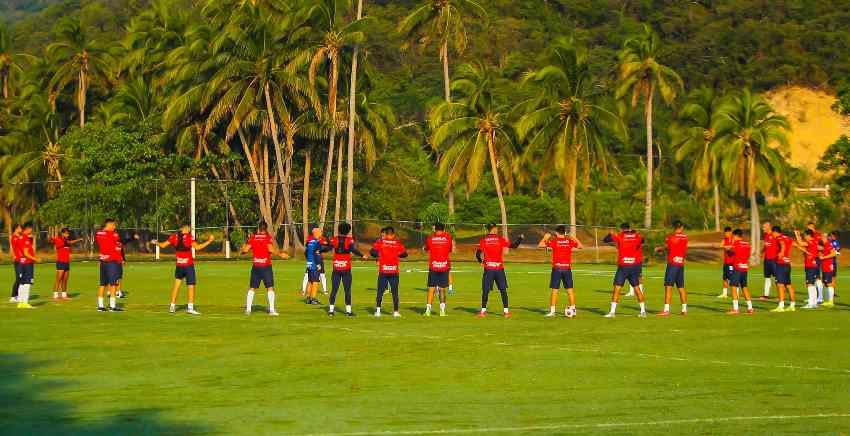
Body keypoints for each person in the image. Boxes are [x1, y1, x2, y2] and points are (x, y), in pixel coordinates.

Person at [152, 224, 215, 315]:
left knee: (176, 286)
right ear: (185, 229)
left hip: (179, 265)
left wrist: (156, 242)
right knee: (191, 285)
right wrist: (209, 241)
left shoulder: (174, 237)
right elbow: (197, 247)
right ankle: (190, 307)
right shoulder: (189, 237)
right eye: (188, 228)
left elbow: (163, 245)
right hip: (188, 265)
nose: (189, 229)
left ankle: (172, 306)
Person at [475, 223, 523, 318]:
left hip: (488, 269)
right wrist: (520, 239)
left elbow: (478, 253)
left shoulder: (483, 240)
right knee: (503, 290)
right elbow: (514, 246)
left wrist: (480, 261)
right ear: (493, 229)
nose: (497, 229)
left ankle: (483, 312)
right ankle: (506, 312)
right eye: (496, 228)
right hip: (499, 269)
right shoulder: (500, 239)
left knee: (485, 290)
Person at [240, 223, 289, 316]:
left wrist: (243, 250)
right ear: (266, 229)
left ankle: (248, 310)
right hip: (266, 266)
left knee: (252, 288)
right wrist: (280, 254)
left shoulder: (253, 237)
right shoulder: (267, 237)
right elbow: (270, 249)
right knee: (270, 288)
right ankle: (271, 310)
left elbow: (245, 250)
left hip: (256, 266)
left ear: (258, 228)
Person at [603, 223, 646, 318]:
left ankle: (612, 312)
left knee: (617, 289)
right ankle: (643, 312)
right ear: (629, 228)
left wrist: (610, 233)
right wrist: (636, 234)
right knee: (637, 288)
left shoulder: (620, 236)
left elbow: (605, 240)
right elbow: (642, 240)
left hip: (623, 267)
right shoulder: (636, 236)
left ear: (621, 229)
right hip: (634, 266)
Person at [538, 225, 582, 318]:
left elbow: (540, 245)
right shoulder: (569, 241)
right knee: (570, 291)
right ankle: (573, 310)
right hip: (567, 269)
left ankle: (552, 311)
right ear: (564, 232)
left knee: (555, 291)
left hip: (557, 269)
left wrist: (545, 237)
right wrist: (574, 237)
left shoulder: (554, 241)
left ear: (557, 232)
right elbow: (580, 246)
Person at [328, 222, 366, 317]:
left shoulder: (334, 239)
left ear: (339, 230)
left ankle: (331, 311)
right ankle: (348, 311)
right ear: (348, 231)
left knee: (334, 290)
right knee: (347, 290)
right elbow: (353, 250)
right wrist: (362, 255)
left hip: (336, 268)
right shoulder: (349, 240)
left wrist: (319, 250)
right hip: (346, 269)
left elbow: (328, 247)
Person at [370, 227, 408, 317]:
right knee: (395, 292)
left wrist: (380, 254)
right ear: (393, 234)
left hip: (383, 270)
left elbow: (372, 252)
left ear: (386, 234)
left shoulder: (380, 242)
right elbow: (405, 254)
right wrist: (397, 254)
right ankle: (395, 311)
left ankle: (378, 311)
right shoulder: (397, 243)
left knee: (380, 291)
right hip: (394, 271)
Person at [658, 221, 688, 316]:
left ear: (674, 227)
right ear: (681, 227)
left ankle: (666, 310)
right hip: (680, 263)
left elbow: (667, 247)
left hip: (672, 264)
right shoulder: (685, 237)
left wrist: (659, 249)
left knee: (668, 286)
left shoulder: (671, 237)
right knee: (681, 287)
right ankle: (684, 309)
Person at [423, 222, 453, 317]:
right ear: (444, 229)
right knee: (442, 289)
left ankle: (428, 311)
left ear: (435, 229)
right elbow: (449, 250)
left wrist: (424, 248)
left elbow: (426, 248)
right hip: (444, 266)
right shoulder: (448, 238)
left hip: (433, 266)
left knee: (431, 289)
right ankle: (442, 311)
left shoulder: (430, 238)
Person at [95, 219, 124, 312]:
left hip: (103, 261)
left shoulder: (99, 234)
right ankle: (112, 306)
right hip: (112, 261)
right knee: (113, 284)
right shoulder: (114, 235)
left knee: (102, 284)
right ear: (109, 225)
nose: (115, 227)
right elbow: (117, 240)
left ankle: (100, 305)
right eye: (113, 225)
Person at [727, 229, 754, 315]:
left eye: (733, 236)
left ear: (735, 236)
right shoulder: (747, 244)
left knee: (734, 287)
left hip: (737, 268)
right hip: (744, 268)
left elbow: (731, 252)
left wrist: (728, 250)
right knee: (744, 287)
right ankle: (750, 308)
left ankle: (736, 309)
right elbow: (748, 255)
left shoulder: (736, 243)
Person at [51, 228, 83, 301]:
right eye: (66, 233)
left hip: (67, 262)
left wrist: (78, 240)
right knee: (58, 279)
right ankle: (55, 295)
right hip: (60, 262)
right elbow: (51, 240)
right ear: (62, 233)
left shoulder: (66, 241)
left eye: (68, 234)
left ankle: (64, 295)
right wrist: (51, 238)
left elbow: (70, 242)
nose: (67, 235)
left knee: (65, 280)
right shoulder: (58, 239)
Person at [771, 226, 797, 312]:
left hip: (781, 263)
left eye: (772, 233)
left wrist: (781, 252)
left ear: (775, 232)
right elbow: (795, 244)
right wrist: (805, 251)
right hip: (787, 264)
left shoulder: (779, 238)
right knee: (788, 285)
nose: (772, 235)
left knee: (780, 284)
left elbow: (782, 244)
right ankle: (792, 305)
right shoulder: (787, 237)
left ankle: (781, 306)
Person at [794, 229, 820, 309]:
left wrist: (796, 234)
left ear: (808, 235)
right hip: (815, 265)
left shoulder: (810, 242)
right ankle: (814, 303)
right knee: (812, 284)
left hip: (810, 265)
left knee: (809, 284)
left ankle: (811, 303)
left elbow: (800, 243)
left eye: (805, 235)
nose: (804, 237)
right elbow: (804, 246)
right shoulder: (815, 241)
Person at [15, 223, 40, 309]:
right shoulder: (25, 239)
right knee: (27, 283)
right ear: (28, 229)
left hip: (22, 264)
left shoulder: (20, 237)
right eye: (31, 229)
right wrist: (36, 259)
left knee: (22, 283)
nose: (32, 230)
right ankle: (25, 302)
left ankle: (21, 302)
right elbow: (26, 253)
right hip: (27, 264)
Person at [304, 226, 331, 305]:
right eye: (320, 232)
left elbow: (305, 253)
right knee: (316, 281)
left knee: (310, 281)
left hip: (309, 264)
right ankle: (313, 298)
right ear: (317, 233)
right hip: (315, 264)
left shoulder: (310, 242)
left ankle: (308, 298)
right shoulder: (317, 242)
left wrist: (309, 259)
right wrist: (329, 242)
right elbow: (325, 249)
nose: (321, 233)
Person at [806, 222, 825, 302]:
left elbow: (822, 246)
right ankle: (813, 298)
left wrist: (819, 253)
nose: (808, 228)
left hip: (815, 258)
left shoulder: (818, 235)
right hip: (809, 259)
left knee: (816, 278)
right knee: (813, 279)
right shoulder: (808, 235)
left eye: (809, 227)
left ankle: (820, 297)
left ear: (812, 227)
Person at [760, 221, 778, 300]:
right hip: (767, 260)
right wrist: (762, 251)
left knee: (777, 278)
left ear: (768, 227)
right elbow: (766, 245)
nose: (762, 228)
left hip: (774, 260)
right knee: (767, 277)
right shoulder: (766, 235)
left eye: (764, 227)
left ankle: (780, 295)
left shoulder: (775, 235)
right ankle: (766, 295)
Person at [819, 236, 837, 308]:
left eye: (823, 238)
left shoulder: (829, 245)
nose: (821, 239)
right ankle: (827, 301)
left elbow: (834, 254)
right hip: (824, 267)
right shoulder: (824, 245)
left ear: (826, 239)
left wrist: (824, 257)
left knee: (829, 283)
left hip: (828, 267)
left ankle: (831, 301)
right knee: (825, 283)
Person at [8, 224, 23, 303]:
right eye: (20, 227)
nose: (21, 229)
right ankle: (13, 296)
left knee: (21, 278)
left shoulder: (19, 237)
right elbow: (14, 248)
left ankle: (18, 295)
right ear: (16, 229)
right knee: (19, 278)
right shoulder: (14, 237)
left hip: (22, 260)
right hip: (17, 260)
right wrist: (13, 256)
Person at [718, 226, 734, 298]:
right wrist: (726, 247)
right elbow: (720, 245)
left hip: (732, 263)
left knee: (732, 278)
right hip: (726, 262)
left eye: (727, 233)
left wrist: (728, 247)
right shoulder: (724, 240)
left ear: (730, 232)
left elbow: (734, 246)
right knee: (725, 278)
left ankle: (735, 293)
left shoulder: (733, 239)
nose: (726, 234)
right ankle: (724, 294)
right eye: (725, 233)